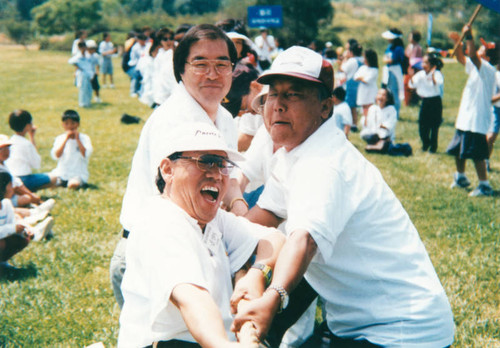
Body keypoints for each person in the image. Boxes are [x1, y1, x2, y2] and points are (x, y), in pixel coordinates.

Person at [231, 46, 455, 348]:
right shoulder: (294, 153)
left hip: (402, 332)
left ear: (325, 107)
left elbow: (303, 241)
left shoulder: (325, 164)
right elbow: (262, 220)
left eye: (294, 94)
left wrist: (273, 296)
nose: (278, 105)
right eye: (273, 94)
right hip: (359, 325)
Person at [110, 24, 243, 308]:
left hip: (193, 248)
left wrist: (241, 210)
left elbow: (228, 178)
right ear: (180, 69)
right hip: (152, 254)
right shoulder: (175, 120)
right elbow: (176, 204)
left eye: (222, 64)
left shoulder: (225, 119)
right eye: (200, 63)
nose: (212, 74)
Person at [118, 121, 284, 347]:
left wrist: (255, 273)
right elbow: (193, 299)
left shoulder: (212, 217)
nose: (217, 175)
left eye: (222, 164)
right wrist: (223, 344)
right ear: (168, 170)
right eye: (205, 162)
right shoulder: (160, 222)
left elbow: (275, 239)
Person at [446, 25, 498, 197]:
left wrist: (469, 36)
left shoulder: (487, 69)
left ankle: (484, 185)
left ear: (488, 56)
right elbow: (462, 59)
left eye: (483, 48)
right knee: (458, 148)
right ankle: (460, 177)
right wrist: (458, 43)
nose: (479, 49)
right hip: (466, 115)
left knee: (477, 154)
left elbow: (473, 56)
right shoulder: (477, 66)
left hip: (476, 118)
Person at [0, 170, 54, 273]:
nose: (12, 189)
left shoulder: (6, 204)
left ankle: (2, 263)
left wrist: (24, 231)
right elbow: (11, 228)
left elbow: (12, 223)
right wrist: (12, 228)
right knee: (1, 243)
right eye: (10, 186)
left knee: (22, 240)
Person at [5, 110, 57, 192]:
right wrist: (32, 138)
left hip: (10, 180)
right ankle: (27, 190)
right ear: (28, 126)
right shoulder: (27, 144)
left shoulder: (8, 142)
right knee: (54, 178)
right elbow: (36, 164)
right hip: (24, 179)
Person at [409, 53, 444, 153]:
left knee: (434, 126)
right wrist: (411, 76)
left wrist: (432, 75)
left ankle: (433, 147)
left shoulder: (437, 74)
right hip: (425, 101)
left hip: (435, 101)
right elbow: (412, 85)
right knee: (423, 125)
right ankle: (425, 143)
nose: (423, 65)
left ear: (432, 64)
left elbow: (437, 83)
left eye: (426, 62)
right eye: (422, 62)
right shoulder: (420, 74)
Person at [50, 110, 92, 190]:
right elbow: (57, 155)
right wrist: (66, 140)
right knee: (48, 182)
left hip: (78, 174)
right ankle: (61, 182)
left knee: (73, 185)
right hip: (62, 173)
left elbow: (85, 154)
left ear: (78, 124)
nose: (70, 126)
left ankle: (73, 183)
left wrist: (77, 139)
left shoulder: (84, 138)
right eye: (67, 123)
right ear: (63, 125)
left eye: (73, 123)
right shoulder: (60, 138)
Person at [381, 28, 405, 117]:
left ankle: (396, 113)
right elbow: (385, 58)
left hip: (395, 70)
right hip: (388, 70)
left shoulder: (399, 48)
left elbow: (392, 60)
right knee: (387, 90)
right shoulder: (389, 47)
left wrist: (387, 60)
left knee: (395, 92)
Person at [340, 40, 363, 130]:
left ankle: (350, 124)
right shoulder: (362, 59)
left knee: (349, 105)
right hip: (359, 84)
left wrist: (345, 58)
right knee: (354, 106)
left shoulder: (352, 60)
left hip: (350, 84)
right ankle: (355, 123)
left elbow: (342, 69)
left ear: (351, 52)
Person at [354, 48, 379, 117]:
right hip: (362, 90)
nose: (363, 59)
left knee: (370, 108)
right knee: (364, 108)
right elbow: (356, 77)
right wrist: (362, 78)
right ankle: (365, 123)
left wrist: (361, 77)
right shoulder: (363, 68)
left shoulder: (374, 70)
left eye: (364, 57)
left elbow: (367, 80)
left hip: (370, 91)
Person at [68, 41, 94, 108]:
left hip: (89, 73)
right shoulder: (78, 56)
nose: (84, 49)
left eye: (84, 47)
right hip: (82, 74)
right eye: (82, 47)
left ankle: (88, 102)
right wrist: (78, 66)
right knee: (83, 89)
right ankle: (82, 103)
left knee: (89, 89)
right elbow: (70, 61)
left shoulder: (88, 55)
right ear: (79, 48)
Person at [404, 30, 423, 106]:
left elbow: (416, 60)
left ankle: (414, 100)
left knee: (414, 84)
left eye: (410, 36)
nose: (409, 38)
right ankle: (408, 101)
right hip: (408, 67)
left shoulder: (418, 48)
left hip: (415, 68)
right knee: (407, 84)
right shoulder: (409, 46)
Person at [487, 62, 500, 171]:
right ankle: (485, 160)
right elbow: (490, 99)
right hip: (497, 109)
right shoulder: (495, 76)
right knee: (491, 136)